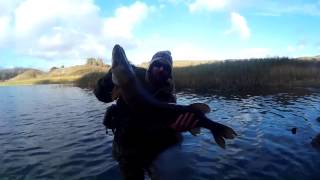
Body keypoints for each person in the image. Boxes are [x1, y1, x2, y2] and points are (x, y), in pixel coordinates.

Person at [94, 50, 198, 180]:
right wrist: (111, 75)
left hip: (152, 149)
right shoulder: (133, 75)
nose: (160, 69)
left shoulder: (168, 97)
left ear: (169, 74)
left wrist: (174, 130)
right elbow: (101, 94)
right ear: (150, 66)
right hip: (126, 149)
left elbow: (164, 132)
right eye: (157, 64)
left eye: (166, 67)